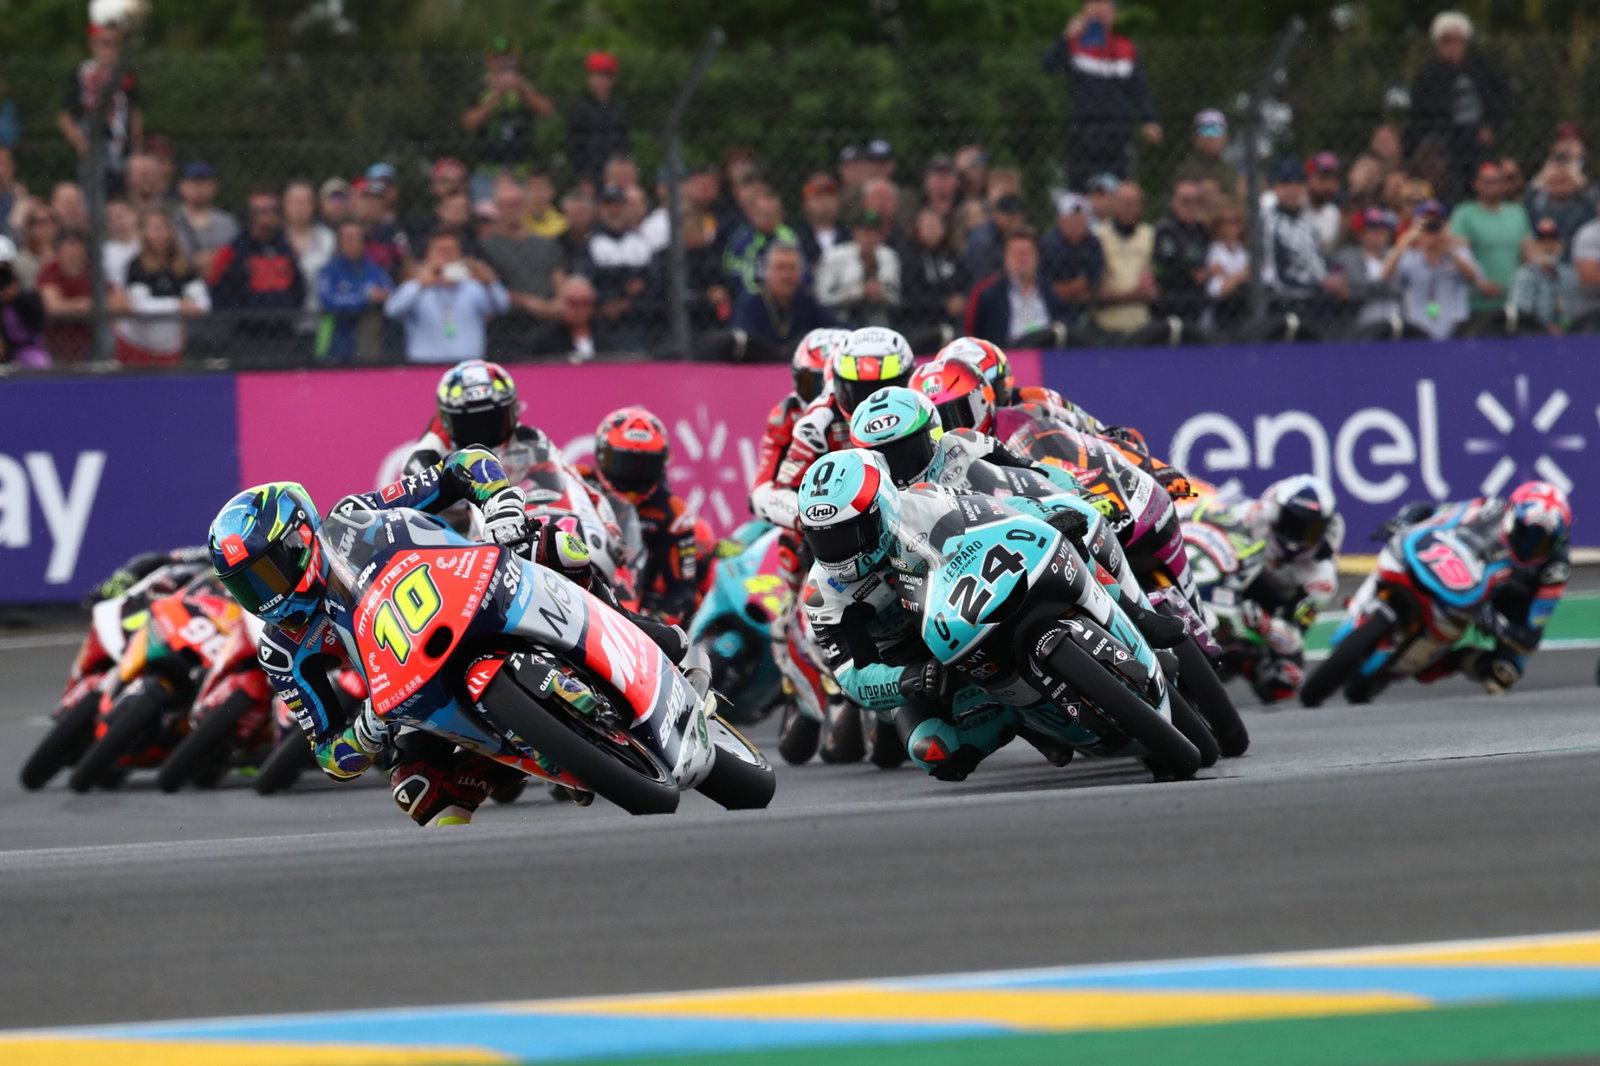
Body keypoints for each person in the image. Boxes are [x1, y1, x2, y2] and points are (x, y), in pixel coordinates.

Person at [207, 460, 581, 827]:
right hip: (410, 675)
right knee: (416, 789)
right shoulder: (281, 651)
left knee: (559, 548)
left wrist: (499, 503)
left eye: (267, 573)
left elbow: (464, 464)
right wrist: (365, 731)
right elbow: (328, 755)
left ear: (299, 540)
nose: (264, 596)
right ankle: (511, 774)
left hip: (476, 590)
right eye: (247, 586)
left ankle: (625, 629)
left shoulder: (354, 517)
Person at [1375, 482, 1571, 696]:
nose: (1530, 545)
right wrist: (1405, 521)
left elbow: (1531, 634)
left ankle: (1456, 660)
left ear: (1557, 541)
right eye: (1525, 532)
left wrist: (1500, 625)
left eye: (1542, 542)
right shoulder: (1491, 509)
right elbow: (1431, 512)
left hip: (1501, 603)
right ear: (1512, 514)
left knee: (1505, 671)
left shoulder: (1555, 569)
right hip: (1460, 570)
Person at [770, 327, 915, 529]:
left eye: (883, 390)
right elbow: (779, 492)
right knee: (793, 546)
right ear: (836, 383)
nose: (873, 404)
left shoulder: (922, 409)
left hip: (911, 514)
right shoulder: (818, 421)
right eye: (860, 392)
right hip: (843, 531)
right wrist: (817, 521)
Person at [585, 407, 703, 623]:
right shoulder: (577, 482)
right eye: (624, 463)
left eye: (644, 466)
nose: (633, 476)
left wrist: (654, 622)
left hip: (637, 605)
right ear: (602, 455)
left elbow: (683, 593)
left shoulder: (673, 513)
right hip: (581, 584)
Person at [1041, 0, 1160, 190]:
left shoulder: (1125, 47)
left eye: (1106, 6)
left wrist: (1150, 119)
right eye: (1094, 4)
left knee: (1119, 188)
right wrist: (1065, 37)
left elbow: (1139, 88)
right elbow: (1047, 66)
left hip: (1117, 131)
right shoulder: (1073, 44)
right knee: (1080, 189)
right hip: (1082, 130)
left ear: (1114, 15)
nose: (1100, 10)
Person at [1404, 12, 1509, 203]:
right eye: (1447, 40)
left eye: (1457, 40)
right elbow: (1422, 109)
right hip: (1445, 135)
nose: (1452, 46)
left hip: (1476, 133)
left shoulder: (1480, 67)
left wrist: (1491, 125)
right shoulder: (1429, 73)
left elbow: (1501, 96)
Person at [384, 230, 508, 363]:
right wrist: (419, 285)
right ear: (428, 256)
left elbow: (502, 306)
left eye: (453, 251)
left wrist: (491, 282)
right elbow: (392, 310)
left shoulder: (473, 287)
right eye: (442, 251)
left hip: (468, 364)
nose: (448, 256)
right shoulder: (416, 288)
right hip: (424, 367)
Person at [1379, 200, 1491, 339]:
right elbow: (1384, 276)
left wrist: (1449, 249)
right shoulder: (1409, 256)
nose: (1432, 231)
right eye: (1427, 225)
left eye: (1436, 224)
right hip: (1417, 329)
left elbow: (1476, 278)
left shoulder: (1459, 252)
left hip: (1455, 329)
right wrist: (1404, 242)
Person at [461, 36, 555, 199]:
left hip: (523, 170)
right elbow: (469, 122)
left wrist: (522, 90)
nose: (503, 62)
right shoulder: (479, 88)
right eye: (497, 58)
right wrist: (496, 95)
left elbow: (547, 111)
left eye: (508, 57)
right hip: (489, 170)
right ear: (489, 62)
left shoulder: (528, 85)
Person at [209, 188, 306, 343]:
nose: (265, 216)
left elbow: (298, 286)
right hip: (245, 336)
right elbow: (218, 289)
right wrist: (241, 316)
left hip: (284, 334)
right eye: (260, 211)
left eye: (271, 210)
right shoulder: (234, 249)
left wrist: (288, 314)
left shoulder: (285, 247)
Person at [480, 178, 565, 355]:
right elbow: (489, 285)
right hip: (507, 327)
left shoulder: (546, 244)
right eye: (507, 204)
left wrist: (557, 303)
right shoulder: (485, 247)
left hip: (548, 325)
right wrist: (528, 302)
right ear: (497, 208)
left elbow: (559, 278)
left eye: (517, 203)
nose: (513, 209)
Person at [115, 209, 209, 366]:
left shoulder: (184, 266)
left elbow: (202, 303)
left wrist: (176, 305)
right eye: (155, 229)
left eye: (165, 228)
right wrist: (178, 304)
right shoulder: (136, 266)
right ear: (144, 233)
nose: (160, 235)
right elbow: (139, 306)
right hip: (136, 345)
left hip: (169, 348)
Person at [57, 25, 142, 195]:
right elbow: (65, 115)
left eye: (114, 44)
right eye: (105, 43)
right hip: (91, 144)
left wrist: (136, 146)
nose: (110, 50)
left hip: (119, 145)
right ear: (93, 44)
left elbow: (134, 112)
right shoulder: (81, 73)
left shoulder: (125, 73)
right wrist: (80, 143)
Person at [1260, 158, 1346, 321]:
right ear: (1275, 188)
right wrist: (1320, 285)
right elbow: (1275, 278)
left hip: (1316, 300)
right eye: (1286, 184)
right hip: (1284, 302)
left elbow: (1319, 262)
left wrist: (1331, 279)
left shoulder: (1307, 222)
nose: (1293, 190)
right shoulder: (1269, 222)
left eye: (1298, 183)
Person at [729, 242, 838, 354]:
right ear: (767, 272)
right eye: (780, 268)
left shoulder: (808, 304)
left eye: (792, 268)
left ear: (800, 273)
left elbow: (837, 330)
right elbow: (744, 342)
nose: (786, 275)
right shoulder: (749, 305)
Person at [1448, 161, 1527, 313]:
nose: (1492, 186)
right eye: (1487, 181)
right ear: (1477, 184)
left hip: (1512, 301)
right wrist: (1480, 282)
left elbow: (1527, 252)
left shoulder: (1517, 212)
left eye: (1496, 181)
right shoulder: (1464, 213)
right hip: (1477, 301)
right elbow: (1459, 252)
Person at [587, 183, 653, 350]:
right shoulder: (591, 242)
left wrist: (627, 300)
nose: (614, 211)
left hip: (640, 318)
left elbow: (650, 280)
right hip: (601, 319)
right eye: (608, 206)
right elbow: (590, 279)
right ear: (599, 210)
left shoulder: (641, 241)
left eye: (618, 206)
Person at [966, 230, 1060, 346]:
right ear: (1005, 258)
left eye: (1027, 253)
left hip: (1046, 354)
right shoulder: (989, 293)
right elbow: (973, 330)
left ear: (1037, 257)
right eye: (1016, 253)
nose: (1022, 259)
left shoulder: (1049, 290)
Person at [315, 220, 391, 363]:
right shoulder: (328, 271)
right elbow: (329, 302)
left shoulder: (376, 270)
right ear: (339, 243)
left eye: (359, 238)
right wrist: (365, 298)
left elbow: (389, 295)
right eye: (349, 238)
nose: (355, 243)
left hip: (370, 343)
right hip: (336, 342)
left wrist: (377, 297)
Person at [816, 209, 900, 328]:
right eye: (865, 232)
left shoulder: (889, 256)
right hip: (841, 320)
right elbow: (823, 298)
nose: (870, 237)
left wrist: (881, 293)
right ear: (855, 233)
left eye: (875, 233)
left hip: (879, 319)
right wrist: (859, 291)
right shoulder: (834, 256)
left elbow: (896, 297)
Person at [1093, 180, 1156, 333]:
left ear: (1140, 206)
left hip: (1142, 325)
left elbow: (1157, 272)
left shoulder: (1150, 235)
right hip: (1106, 326)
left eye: (1133, 202)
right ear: (1113, 204)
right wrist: (1129, 295)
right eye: (1124, 202)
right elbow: (1094, 286)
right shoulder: (1097, 236)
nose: (1128, 208)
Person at [1330, 207, 1401, 332]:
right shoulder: (1347, 257)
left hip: (1393, 317)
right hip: (1361, 320)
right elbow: (1355, 287)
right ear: (1361, 233)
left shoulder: (1394, 255)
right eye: (1374, 230)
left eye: (1383, 230)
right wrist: (1383, 283)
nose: (1379, 235)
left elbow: (1402, 287)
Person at [565, 52, 630, 187]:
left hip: (615, 171)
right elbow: (575, 145)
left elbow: (624, 141)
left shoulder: (617, 108)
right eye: (594, 75)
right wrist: (584, 176)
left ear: (611, 79)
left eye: (603, 76)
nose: (598, 80)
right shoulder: (580, 109)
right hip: (591, 174)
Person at [1036, 193, 1103, 324]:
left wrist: (1066, 288)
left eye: (1080, 217)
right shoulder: (1047, 244)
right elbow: (1046, 286)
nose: (1076, 221)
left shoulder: (1093, 243)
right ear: (1060, 219)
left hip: (1087, 311)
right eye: (1071, 217)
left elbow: (1093, 283)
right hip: (1052, 310)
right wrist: (1073, 287)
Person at [898, 207, 966, 333]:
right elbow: (911, 297)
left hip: (953, 317)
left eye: (936, 225)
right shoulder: (910, 258)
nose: (933, 230)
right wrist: (943, 305)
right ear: (917, 229)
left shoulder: (953, 255)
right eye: (928, 226)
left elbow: (962, 282)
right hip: (919, 320)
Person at [1151, 180, 1211, 324]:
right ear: (1173, 202)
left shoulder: (1201, 230)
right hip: (1171, 302)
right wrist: (1193, 274)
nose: (1191, 206)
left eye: (1195, 201)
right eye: (1185, 201)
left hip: (1197, 304)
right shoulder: (1166, 229)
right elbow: (1167, 263)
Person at [722, 190, 797, 301]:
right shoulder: (741, 241)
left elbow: (800, 272)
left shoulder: (789, 237)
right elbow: (737, 277)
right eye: (764, 214)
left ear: (780, 215)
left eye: (772, 213)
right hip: (750, 298)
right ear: (753, 215)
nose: (768, 218)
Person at [1510, 217, 1579, 332]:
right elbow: (1521, 316)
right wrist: (1547, 330)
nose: (1548, 246)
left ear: (1561, 245)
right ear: (1532, 246)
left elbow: (1576, 311)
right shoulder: (1524, 276)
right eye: (1541, 241)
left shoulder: (1569, 274)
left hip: (1567, 336)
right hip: (1534, 337)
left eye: (1553, 240)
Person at [284, 180, 335, 334]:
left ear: (314, 206)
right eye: (295, 201)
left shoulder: (328, 239)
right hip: (283, 323)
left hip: (320, 322)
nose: (299, 207)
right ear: (285, 205)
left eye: (305, 202)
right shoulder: (274, 241)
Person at [173, 161, 238, 278]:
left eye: (204, 183)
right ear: (181, 187)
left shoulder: (227, 222)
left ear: (213, 187)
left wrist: (216, 259)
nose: (199, 188)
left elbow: (237, 256)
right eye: (193, 183)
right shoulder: (171, 221)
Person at [37, 230, 93, 361]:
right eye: (70, 245)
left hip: (90, 343)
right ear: (59, 250)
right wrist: (86, 304)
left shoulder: (92, 271)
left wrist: (74, 305)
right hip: (56, 345)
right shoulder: (50, 270)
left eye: (79, 245)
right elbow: (53, 306)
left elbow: (120, 302)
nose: (75, 251)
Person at [530, 275, 610, 361]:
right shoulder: (544, 341)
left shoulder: (607, 336)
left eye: (586, 303)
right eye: (573, 303)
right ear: (561, 304)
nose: (580, 309)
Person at [1522, 160, 1595, 255]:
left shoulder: (1584, 205)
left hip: (1572, 257)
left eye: (1565, 180)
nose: (1560, 185)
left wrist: (1578, 180)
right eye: (1555, 180)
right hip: (1539, 258)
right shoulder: (1534, 202)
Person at [1203, 199, 1252, 332]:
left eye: (1234, 221)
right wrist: (1243, 275)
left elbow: (1265, 277)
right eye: (1223, 222)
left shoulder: (1246, 253)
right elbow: (1217, 290)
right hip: (1221, 314)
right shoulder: (1213, 251)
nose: (1229, 227)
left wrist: (1231, 278)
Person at [1175, 109, 1242, 203]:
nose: (1210, 137)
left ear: (1225, 138)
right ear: (1195, 138)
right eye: (1204, 131)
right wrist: (1200, 190)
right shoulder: (1186, 168)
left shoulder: (1230, 169)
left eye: (1216, 131)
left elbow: (1236, 198)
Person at [0, 236, 48, 367]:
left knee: (37, 362)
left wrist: (14, 298)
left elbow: (37, 323)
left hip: (24, 350)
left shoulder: (26, 297)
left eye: (4, 267)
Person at [961, 192, 1026, 284]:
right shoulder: (983, 239)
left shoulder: (1011, 235)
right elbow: (982, 279)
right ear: (997, 215)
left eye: (1018, 218)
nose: (1015, 223)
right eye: (1010, 217)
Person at [794, 173, 845, 267]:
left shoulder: (852, 237)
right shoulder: (793, 238)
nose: (824, 201)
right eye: (817, 196)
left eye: (830, 195)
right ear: (805, 203)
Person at [102, 198, 140, 286]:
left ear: (134, 215)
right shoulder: (104, 252)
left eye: (122, 216)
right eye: (114, 218)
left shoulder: (148, 245)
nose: (120, 222)